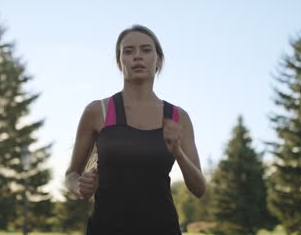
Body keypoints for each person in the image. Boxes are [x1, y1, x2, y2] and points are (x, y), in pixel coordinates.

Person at [64, 24, 206, 234]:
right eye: (128, 51)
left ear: (158, 60)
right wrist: (79, 186)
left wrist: (177, 152)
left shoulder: (177, 117)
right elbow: (71, 174)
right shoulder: (98, 111)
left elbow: (199, 189)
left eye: (146, 50)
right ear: (119, 63)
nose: (137, 56)